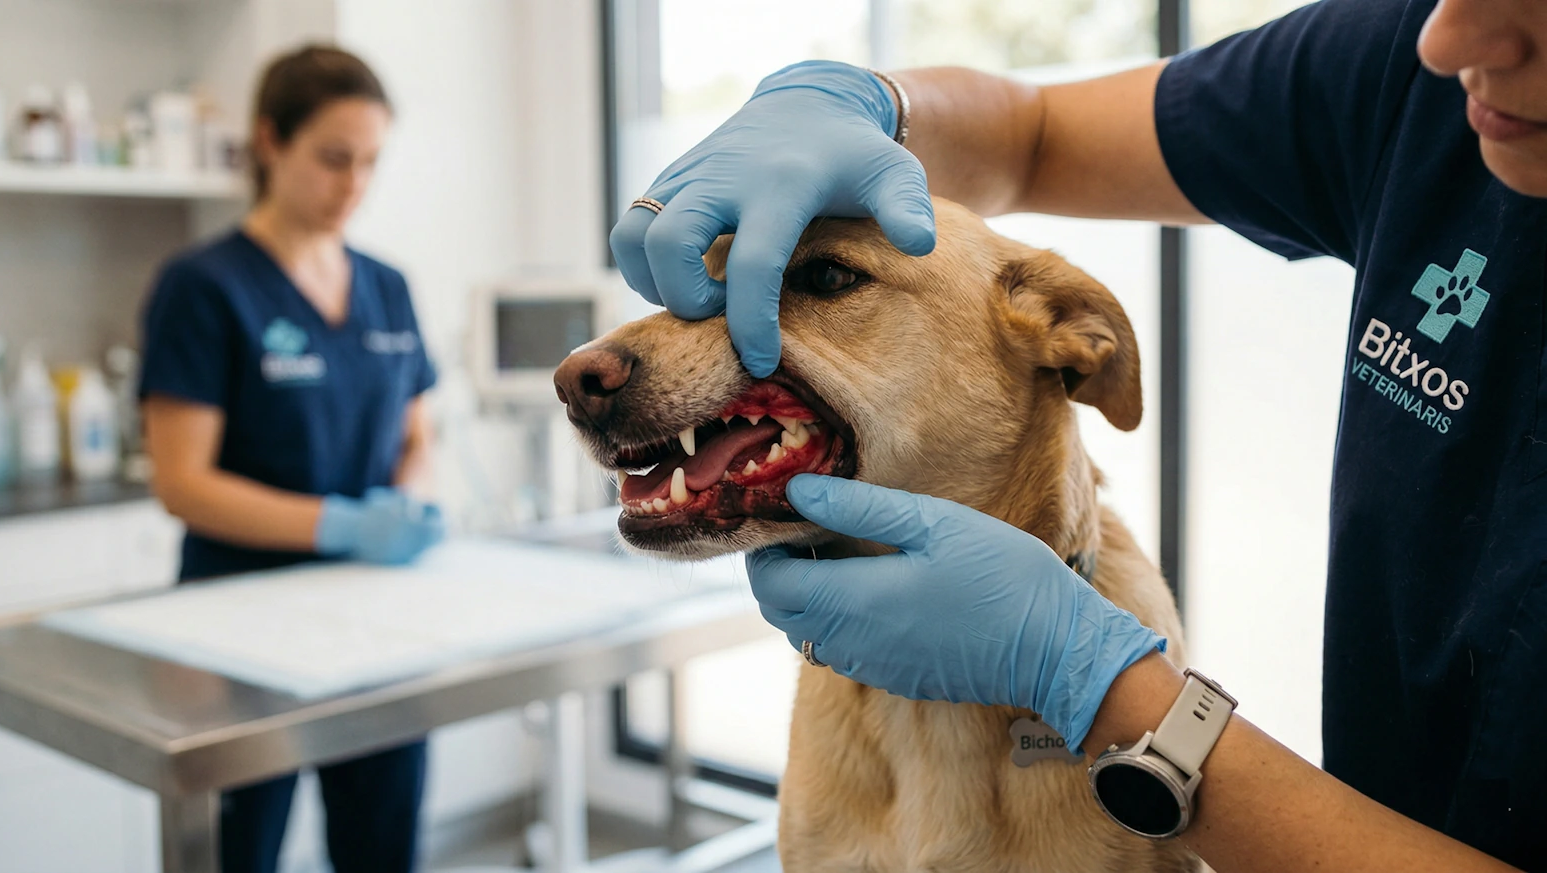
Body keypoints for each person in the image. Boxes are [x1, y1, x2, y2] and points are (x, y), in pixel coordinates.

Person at [609, 0, 1546, 871]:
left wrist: (1103, 693)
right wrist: (868, 107)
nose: (1448, 40)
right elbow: (1034, 135)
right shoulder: (1414, 69)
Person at [138, 46, 444, 873]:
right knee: (237, 851)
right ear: (269, 143)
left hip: (373, 624)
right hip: (235, 628)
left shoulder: (387, 286)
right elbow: (181, 481)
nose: (353, 185)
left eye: (371, 162)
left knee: (382, 844)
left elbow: (418, 434)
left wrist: (407, 503)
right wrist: (339, 524)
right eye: (333, 158)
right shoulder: (203, 286)